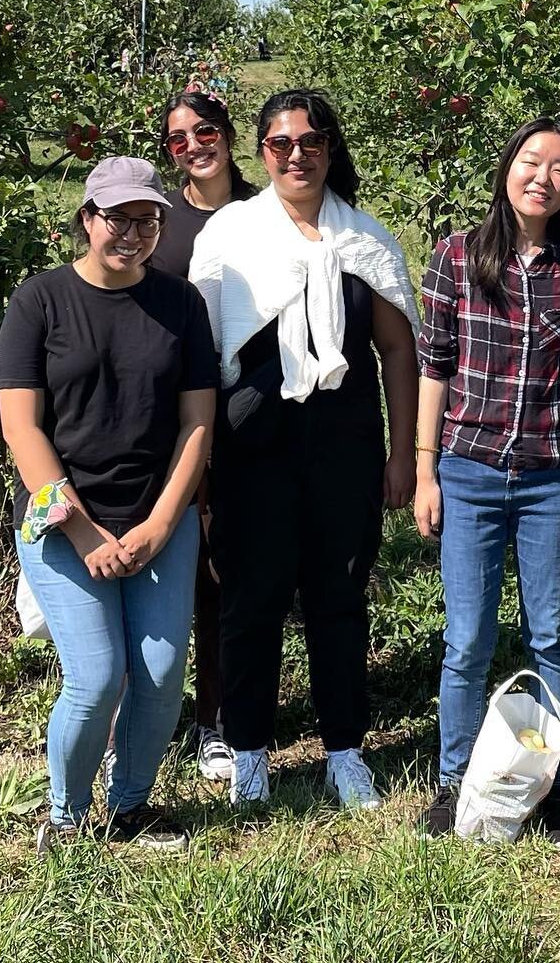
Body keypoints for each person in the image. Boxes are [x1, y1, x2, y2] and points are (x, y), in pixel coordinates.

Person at [189, 89, 420, 809]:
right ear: (261, 153)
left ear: (330, 148)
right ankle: (250, 750)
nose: (297, 155)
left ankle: (345, 751)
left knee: (339, 595)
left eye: (311, 141)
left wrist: (404, 453)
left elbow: (395, 349)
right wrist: (197, 466)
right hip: (252, 438)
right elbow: (201, 351)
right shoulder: (230, 234)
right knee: (250, 596)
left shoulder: (366, 240)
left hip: (344, 439)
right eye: (281, 144)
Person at [0, 157, 218, 856]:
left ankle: (130, 807)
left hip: (158, 516)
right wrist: (86, 531)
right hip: (61, 520)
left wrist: (158, 523)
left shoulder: (181, 304)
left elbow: (197, 426)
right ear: (87, 219)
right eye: (118, 217)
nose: (133, 232)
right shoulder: (41, 301)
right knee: (95, 677)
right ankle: (64, 818)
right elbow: (22, 428)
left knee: (157, 673)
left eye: (147, 219)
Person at [414, 118, 560, 847]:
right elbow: (435, 366)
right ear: (507, 169)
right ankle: (453, 779)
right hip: (467, 472)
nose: (543, 177)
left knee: (550, 635)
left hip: (551, 476)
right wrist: (426, 468)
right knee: (466, 640)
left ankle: (549, 782)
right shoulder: (458, 257)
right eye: (531, 161)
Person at [147, 89, 257, 785]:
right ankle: (149, 710)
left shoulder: (264, 209)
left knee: (228, 576)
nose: (193, 145)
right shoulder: (161, 225)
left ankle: (216, 719)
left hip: (252, 418)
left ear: (228, 134)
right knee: (174, 570)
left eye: (205, 130)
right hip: (175, 421)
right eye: (178, 138)